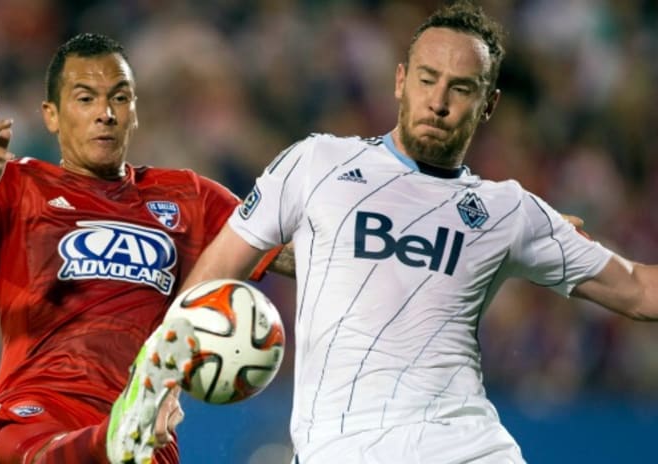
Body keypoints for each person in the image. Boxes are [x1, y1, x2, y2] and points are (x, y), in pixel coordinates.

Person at [180, 2, 658, 463]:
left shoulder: (508, 210)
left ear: (488, 103)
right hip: (343, 451)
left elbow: (640, 291)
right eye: (427, 79)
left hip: (469, 450)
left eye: (461, 88)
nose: (439, 101)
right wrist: (157, 380)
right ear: (400, 80)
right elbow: (212, 279)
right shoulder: (317, 164)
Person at [0, 33, 290, 464]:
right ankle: (108, 440)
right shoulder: (17, 188)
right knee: (8, 440)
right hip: (43, 404)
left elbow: (294, 256)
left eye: (119, 98)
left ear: (134, 111)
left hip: (147, 425)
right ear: (52, 116)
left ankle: (122, 431)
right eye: (86, 99)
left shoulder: (188, 197)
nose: (105, 114)